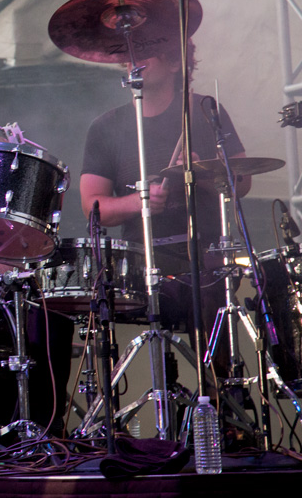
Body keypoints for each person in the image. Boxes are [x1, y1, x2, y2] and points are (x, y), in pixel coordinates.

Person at [79, 40, 250, 356]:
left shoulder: (203, 111)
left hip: (203, 255)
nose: (134, 61)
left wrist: (202, 173)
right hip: (140, 264)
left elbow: (242, 182)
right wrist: (139, 203)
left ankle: (217, 393)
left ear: (174, 63)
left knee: (209, 297)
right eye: (130, 54)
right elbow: (92, 205)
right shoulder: (106, 127)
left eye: (145, 52)